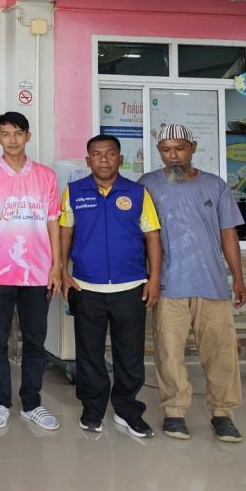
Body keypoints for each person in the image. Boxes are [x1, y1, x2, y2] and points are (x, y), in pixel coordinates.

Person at [140, 124, 246, 443]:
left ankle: (223, 414)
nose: (173, 156)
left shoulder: (215, 186)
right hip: (168, 284)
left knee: (221, 352)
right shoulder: (147, 185)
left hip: (211, 283)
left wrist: (238, 278)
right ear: (159, 152)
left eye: (179, 148)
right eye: (166, 150)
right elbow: (141, 234)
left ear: (193, 148)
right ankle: (175, 412)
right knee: (169, 352)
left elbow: (228, 234)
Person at [60, 135, 163, 437]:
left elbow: (152, 235)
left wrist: (154, 278)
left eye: (110, 154)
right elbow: (65, 233)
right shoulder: (73, 192)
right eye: (96, 154)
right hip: (86, 287)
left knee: (129, 355)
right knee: (89, 354)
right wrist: (63, 272)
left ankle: (127, 410)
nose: (103, 159)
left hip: (130, 287)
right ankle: (92, 410)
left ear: (120, 159)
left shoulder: (138, 193)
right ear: (87, 160)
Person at [0, 111, 61, 431]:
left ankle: (32, 403)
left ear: (28, 136)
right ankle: (0, 401)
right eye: (5, 134)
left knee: (35, 341)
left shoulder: (46, 177)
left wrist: (56, 267)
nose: (12, 140)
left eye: (18, 133)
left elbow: (53, 223)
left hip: (38, 273)